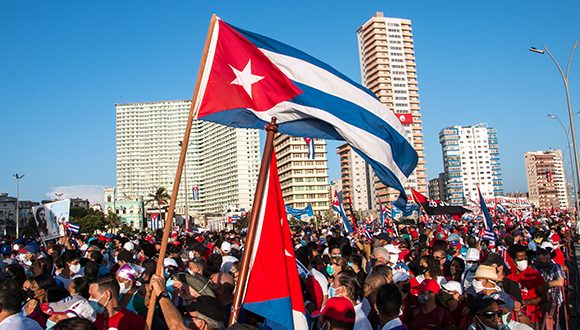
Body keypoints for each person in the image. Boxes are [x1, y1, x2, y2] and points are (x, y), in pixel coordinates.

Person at [533, 248, 565, 330]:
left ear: (547, 259)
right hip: (540, 300)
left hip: (554, 299)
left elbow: (560, 282)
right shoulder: (535, 267)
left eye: (541, 261)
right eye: (538, 261)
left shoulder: (555, 267)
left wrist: (544, 285)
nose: (539, 263)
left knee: (554, 322)